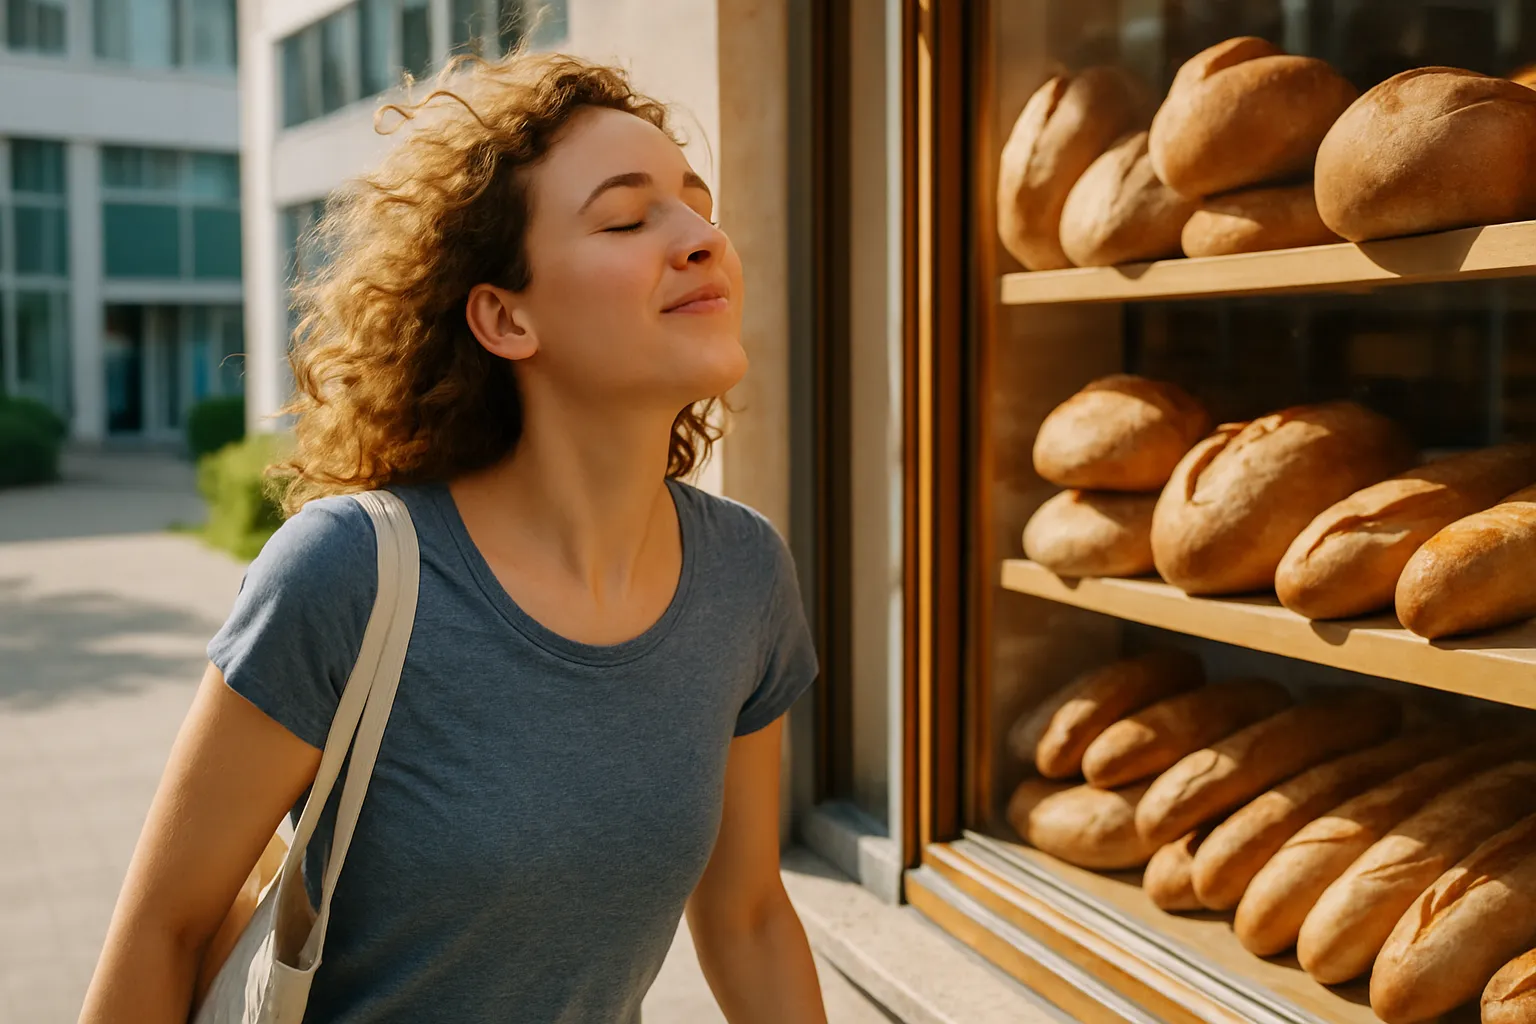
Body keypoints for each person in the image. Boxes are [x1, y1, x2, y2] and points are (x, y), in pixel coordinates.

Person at [80, 52, 827, 1024]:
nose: (702, 238)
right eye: (627, 216)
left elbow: (749, 912)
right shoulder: (350, 573)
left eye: (696, 204)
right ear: (504, 315)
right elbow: (162, 933)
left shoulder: (744, 575)